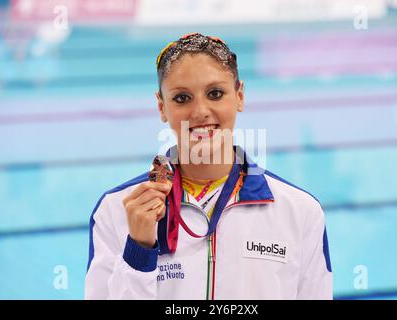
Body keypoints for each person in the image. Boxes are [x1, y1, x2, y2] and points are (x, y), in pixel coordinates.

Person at [85, 33, 332, 300]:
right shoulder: (116, 210)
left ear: (239, 96)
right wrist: (139, 250)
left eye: (215, 93)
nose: (200, 111)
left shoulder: (299, 211)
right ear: (161, 106)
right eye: (182, 98)